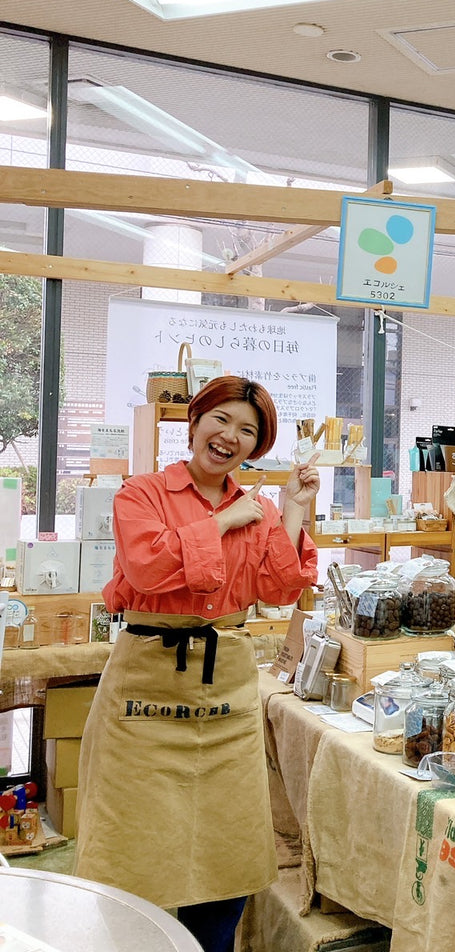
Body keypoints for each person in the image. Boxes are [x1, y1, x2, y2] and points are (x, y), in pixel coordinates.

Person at [75, 377, 321, 952]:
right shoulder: (141, 493)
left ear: (256, 447)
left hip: (227, 695)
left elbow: (279, 588)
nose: (230, 437)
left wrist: (292, 512)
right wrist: (222, 523)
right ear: (195, 422)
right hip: (146, 689)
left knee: (226, 852)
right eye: (221, 420)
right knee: (132, 853)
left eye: (248, 431)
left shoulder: (258, 507)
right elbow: (146, 568)